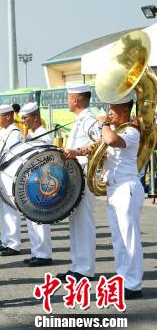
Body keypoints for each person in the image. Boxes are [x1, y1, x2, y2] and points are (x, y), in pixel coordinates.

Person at [82, 94, 145, 299]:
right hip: (113, 189)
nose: (109, 112)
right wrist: (75, 152)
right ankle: (123, 278)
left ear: (125, 111)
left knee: (130, 238)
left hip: (126, 188)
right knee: (118, 240)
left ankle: (134, 284)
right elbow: (96, 148)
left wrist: (104, 124)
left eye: (113, 109)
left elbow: (110, 140)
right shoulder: (115, 130)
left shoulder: (131, 131)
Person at [59, 84, 100, 281]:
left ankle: (85, 269)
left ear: (76, 100)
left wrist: (78, 152)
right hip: (75, 176)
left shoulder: (89, 120)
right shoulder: (80, 120)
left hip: (84, 174)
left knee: (83, 222)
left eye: (69, 98)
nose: (67, 102)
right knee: (76, 223)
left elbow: (99, 143)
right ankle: (78, 266)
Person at [18, 102, 53, 266]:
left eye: (25, 118)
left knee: (40, 219)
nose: (23, 121)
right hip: (31, 180)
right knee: (31, 219)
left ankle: (44, 254)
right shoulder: (32, 135)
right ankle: (37, 251)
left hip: (42, 181)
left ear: (35, 117)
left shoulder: (44, 135)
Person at [0, 105, 22, 257]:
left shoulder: (15, 132)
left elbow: (11, 155)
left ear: (8, 116)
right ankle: (6, 241)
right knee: (3, 210)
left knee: (10, 209)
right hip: (1, 172)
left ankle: (14, 243)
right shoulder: (3, 131)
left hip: (8, 172)